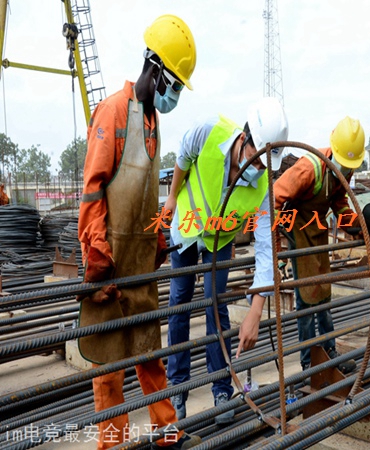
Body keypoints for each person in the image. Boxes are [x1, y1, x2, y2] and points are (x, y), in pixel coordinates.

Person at [77, 15, 200, 450]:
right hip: (110, 262)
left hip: (141, 263)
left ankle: (168, 435)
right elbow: (93, 190)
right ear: (157, 69)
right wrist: (96, 253)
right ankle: (113, 445)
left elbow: (146, 197)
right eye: (177, 84)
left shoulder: (152, 122)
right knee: (109, 368)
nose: (176, 95)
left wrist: (160, 238)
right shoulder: (113, 112)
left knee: (150, 355)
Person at [164, 97, 288, 424]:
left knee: (214, 303)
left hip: (220, 238)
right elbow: (183, 155)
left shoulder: (262, 185)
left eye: (265, 164)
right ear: (245, 137)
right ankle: (177, 384)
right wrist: (173, 197)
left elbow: (265, 249)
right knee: (180, 300)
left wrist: (257, 309)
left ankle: (221, 388)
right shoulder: (209, 132)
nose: (259, 167)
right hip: (189, 226)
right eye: (255, 158)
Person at [273, 116, 363, 374]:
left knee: (323, 294)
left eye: (350, 165)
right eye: (344, 164)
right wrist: (277, 249)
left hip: (318, 232)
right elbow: (274, 199)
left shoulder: (345, 169)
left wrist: (357, 225)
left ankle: (328, 353)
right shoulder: (309, 168)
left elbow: (339, 205)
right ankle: (308, 364)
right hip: (297, 235)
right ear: (333, 150)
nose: (346, 170)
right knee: (305, 300)